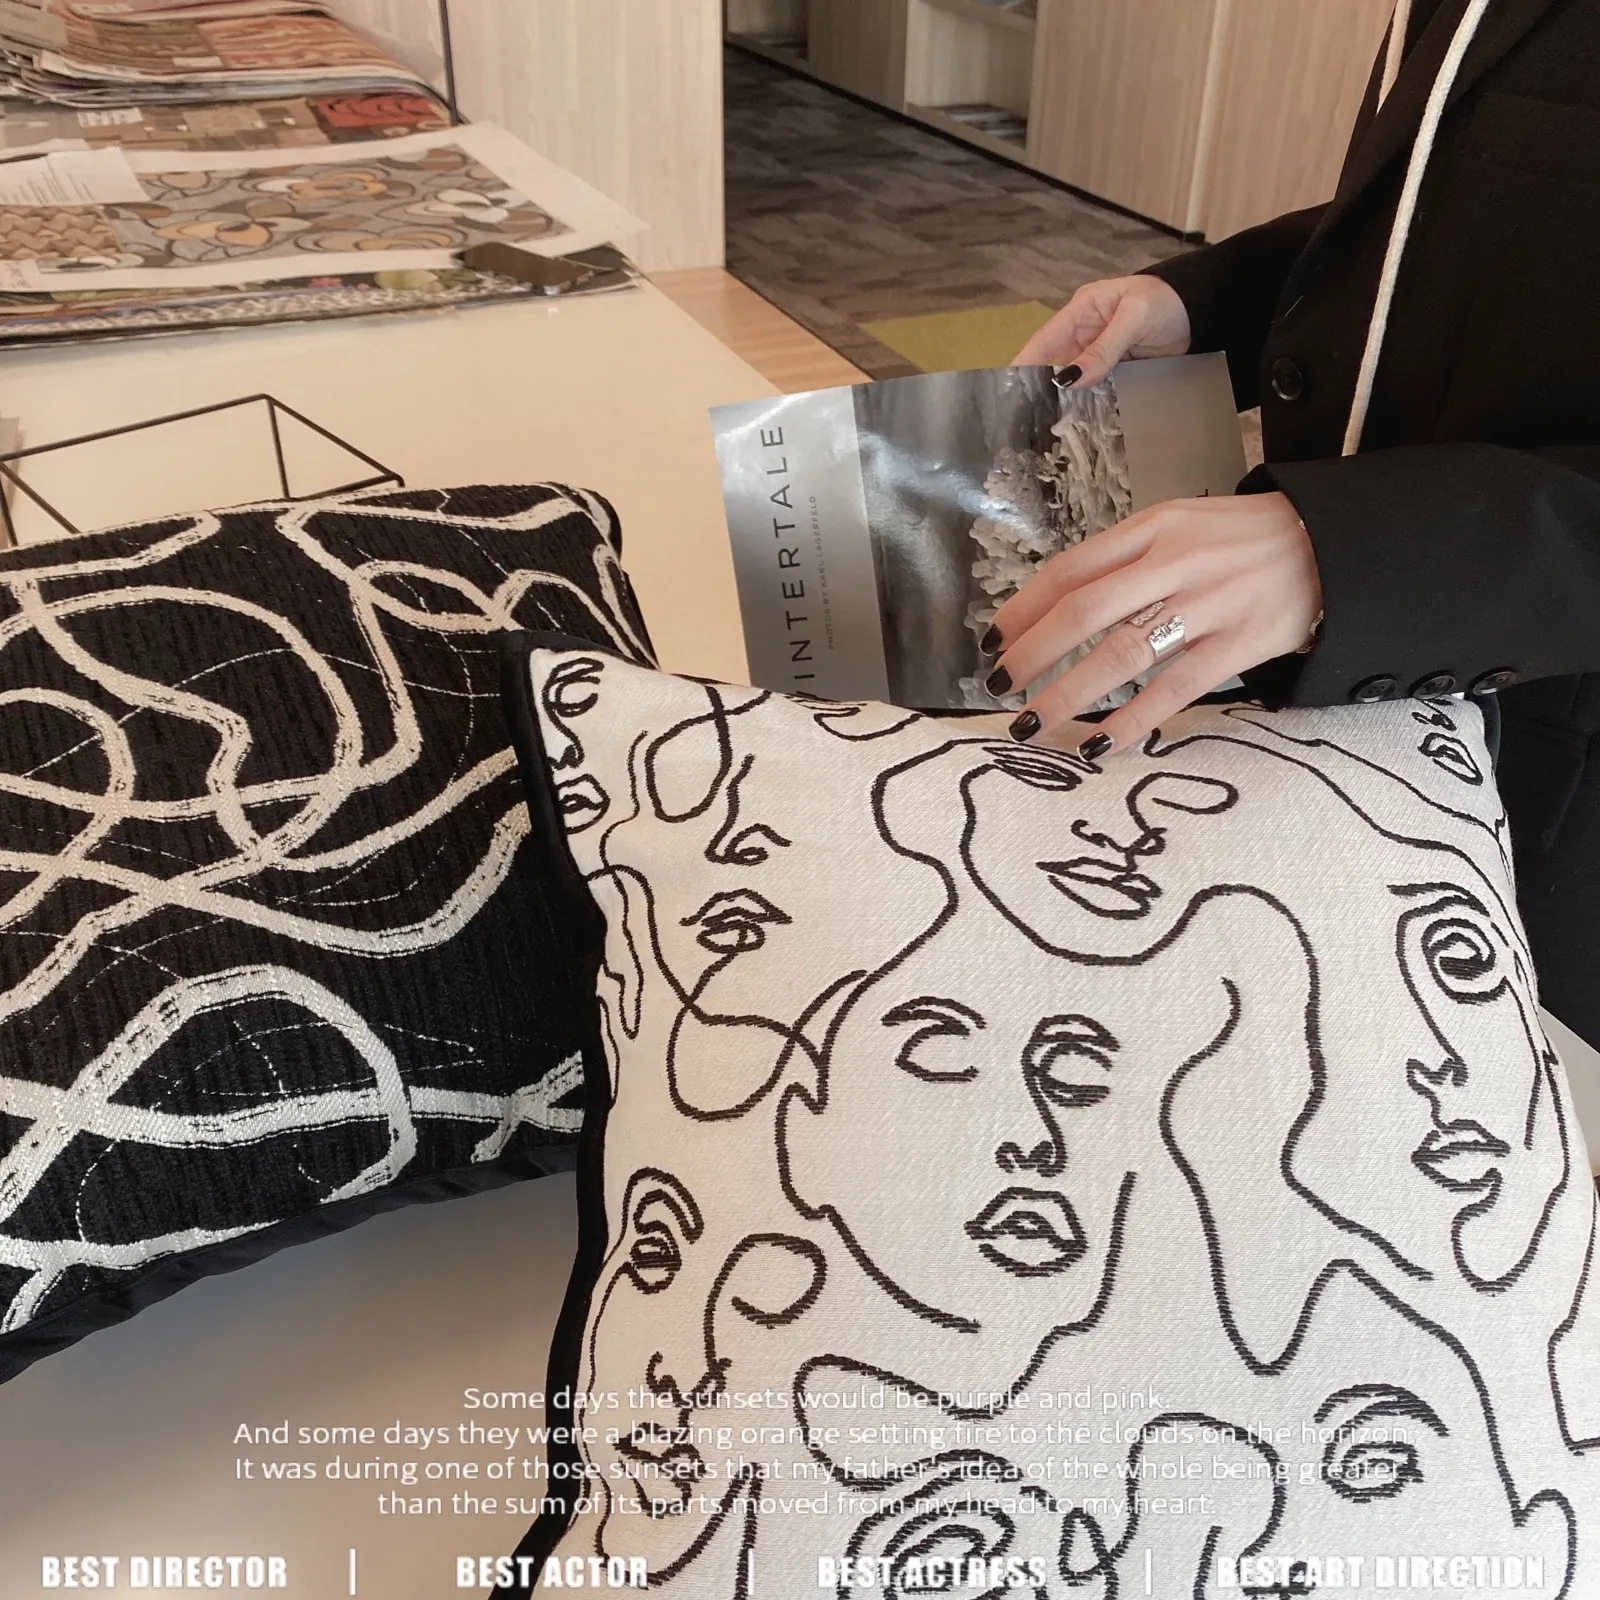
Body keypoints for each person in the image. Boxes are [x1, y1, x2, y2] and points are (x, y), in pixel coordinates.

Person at [996, 0, 1600, 1046]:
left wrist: (1352, 553)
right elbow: (1449, 209)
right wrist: (1208, 301)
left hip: (1550, 794)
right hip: (1337, 723)